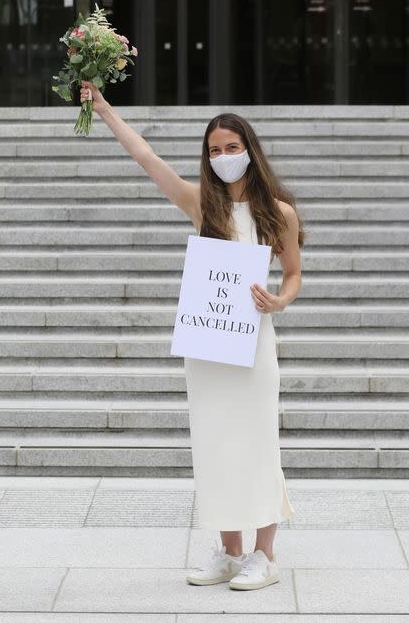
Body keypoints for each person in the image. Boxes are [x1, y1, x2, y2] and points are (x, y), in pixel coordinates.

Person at [80, 81, 303, 591]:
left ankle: (264, 555)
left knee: (257, 441)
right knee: (215, 442)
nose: (224, 157)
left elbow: (293, 274)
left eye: (232, 148)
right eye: (215, 150)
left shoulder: (280, 214)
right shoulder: (204, 205)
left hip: (252, 342)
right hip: (208, 345)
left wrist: (280, 300)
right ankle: (229, 550)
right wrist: (104, 109)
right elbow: (147, 158)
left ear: (250, 150)